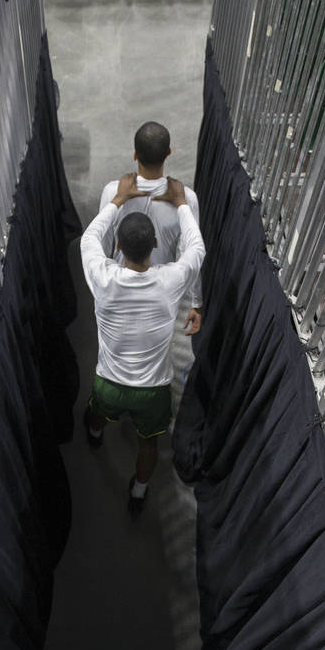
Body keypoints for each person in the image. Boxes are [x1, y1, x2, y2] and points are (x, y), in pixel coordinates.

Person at [80, 171, 205, 514]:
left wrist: (118, 199)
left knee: (96, 412)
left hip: (109, 383)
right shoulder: (172, 281)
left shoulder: (102, 277)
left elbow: (90, 237)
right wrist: (181, 204)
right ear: (154, 246)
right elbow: (196, 247)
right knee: (149, 445)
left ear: (118, 247)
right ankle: (138, 492)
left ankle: (94, 435)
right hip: (153, 391)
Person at [98, 121, 200, 269]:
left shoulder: (112, 193)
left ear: (135, 155)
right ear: (169, 152)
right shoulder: (186, 199)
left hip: (120, 283)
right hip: (164, 286)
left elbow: (102, 247)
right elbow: (189, 255)